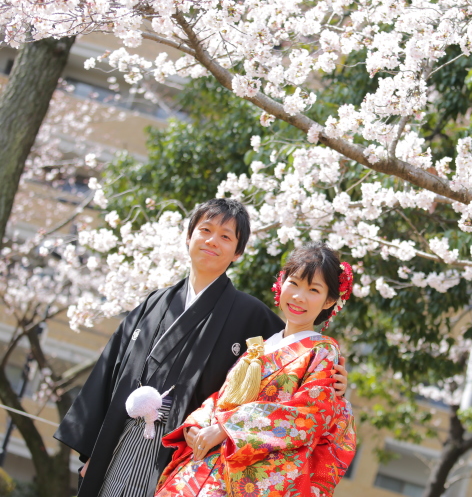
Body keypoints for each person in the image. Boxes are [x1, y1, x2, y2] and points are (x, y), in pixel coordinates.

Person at [53, 199, 348, 497]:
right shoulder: (154, 302)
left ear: (238, 252)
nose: (212, 241)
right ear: (188, 236)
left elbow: (295, 365)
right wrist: (94, 451)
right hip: (125, 438)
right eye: (205, 230)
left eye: (225, 236)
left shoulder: (252, 316)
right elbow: (112, 373)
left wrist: (335, 383)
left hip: (187, 455)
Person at [155, 242, 356, 497]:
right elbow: (225, 397)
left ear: (329, 301)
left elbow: (308, 415)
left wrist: (227, 428)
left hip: (251, 475)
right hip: (204, 465)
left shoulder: (323, 352)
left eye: (313, 290)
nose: (298, 296)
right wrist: (197, 424)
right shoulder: (260, 346)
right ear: (281, 283)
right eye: (293, 283)